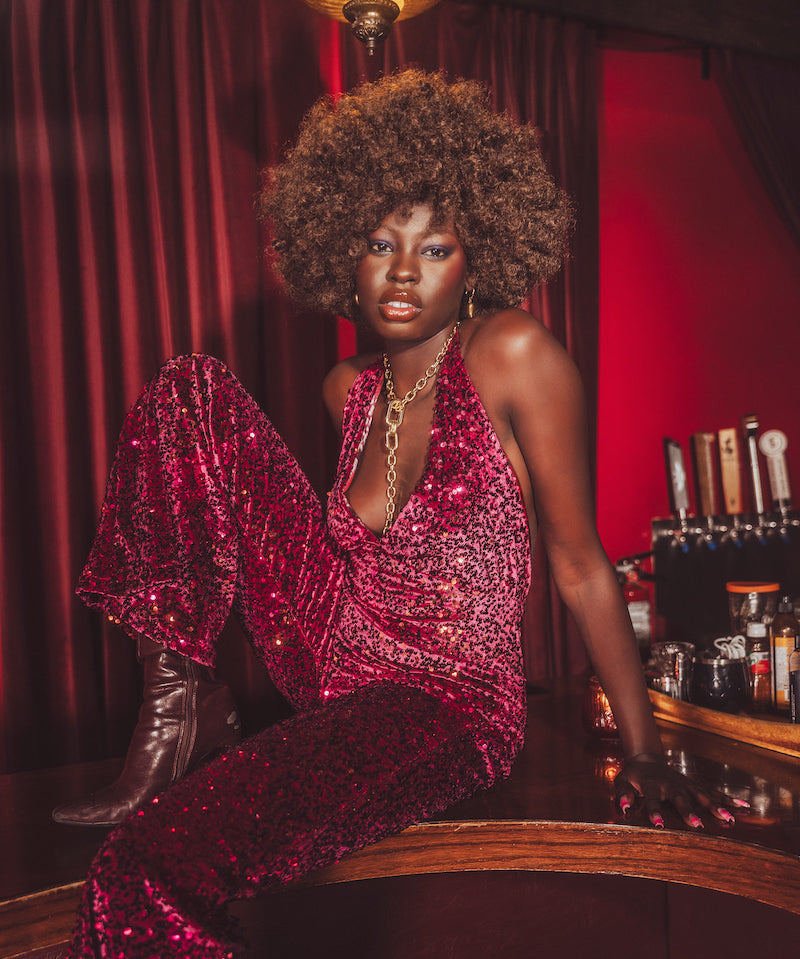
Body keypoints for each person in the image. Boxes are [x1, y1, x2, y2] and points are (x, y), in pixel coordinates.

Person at [56, 69, 737, 957]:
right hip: (331, 647)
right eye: (381, 243)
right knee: (191, 389)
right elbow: (324, 555)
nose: (404, 271)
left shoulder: (514, 356)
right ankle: (179, 702)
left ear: (477, 254)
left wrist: (645, 748)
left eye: (435, 247)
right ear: (345, 251)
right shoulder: (348, 388)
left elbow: (578, 562)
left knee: (150, 863)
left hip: (445, 702)